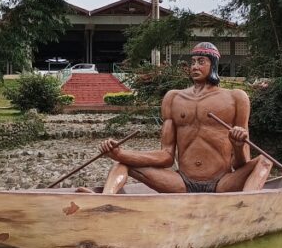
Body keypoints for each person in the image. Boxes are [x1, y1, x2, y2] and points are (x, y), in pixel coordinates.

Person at [98, 42, 272, 194]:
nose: (195, 66)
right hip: (182, 182)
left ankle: (248, 205)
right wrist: (121, 153)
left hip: (222, 182)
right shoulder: (173, 98)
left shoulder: (236, 98)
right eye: (193, 62)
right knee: (121, 163)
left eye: (201, 62)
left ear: (213, 65)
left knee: (264, 160)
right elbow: (166, 156)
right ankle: (103, 204)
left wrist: (238, 144)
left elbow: (242, 164)